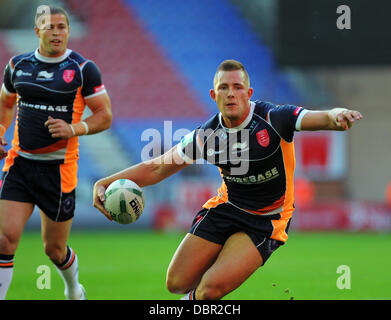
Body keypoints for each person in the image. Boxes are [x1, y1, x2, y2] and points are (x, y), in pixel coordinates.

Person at [93, 59, 362, 300]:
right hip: (226, 208)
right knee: (176, 283)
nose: (231, 93)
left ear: (249, 93)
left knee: (209, 289)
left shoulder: (273, 118)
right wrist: (105, 182)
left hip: (267, 219)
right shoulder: (206, 135)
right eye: (223, 88)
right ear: (214, 95)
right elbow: (156, 169)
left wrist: (335, 115)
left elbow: (316, 117)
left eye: (237, 87)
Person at [0, 5, 112, 300]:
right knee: (4, 239)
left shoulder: (82, 69)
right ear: (37, 31)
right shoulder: (17, 66)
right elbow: (6, 102)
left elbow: (104, 115)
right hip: (20, 165)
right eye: (50, 27)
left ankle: (74, 288)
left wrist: (74, 129)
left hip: (59, 171)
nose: (57, 32)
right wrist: (0, 132)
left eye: (62, 27)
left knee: (54, 249)